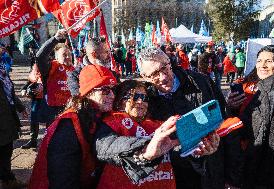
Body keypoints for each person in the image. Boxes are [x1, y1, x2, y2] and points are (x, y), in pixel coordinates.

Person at [29, 64, 179, 189]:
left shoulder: (99, 114)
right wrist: (145, 150)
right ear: (89, 93)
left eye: (113, 90)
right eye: (105, 90)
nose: (112, 95)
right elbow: (62, 177)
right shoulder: (69, 124)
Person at [139, 48, 241, 189]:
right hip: (175, 177)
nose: (163, 77)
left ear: (170, 63)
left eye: (164, 68)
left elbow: (227, 127)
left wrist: (232, 178)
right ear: (144, 76)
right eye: (154, 74)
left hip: (212, 170)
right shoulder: (144, 100)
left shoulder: (201, 82)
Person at [97, 80, 179, 189]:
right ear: (119, 101)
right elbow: (107, 146)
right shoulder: (111, 123)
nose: (140, 101)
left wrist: (197, 151)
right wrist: (143, 152)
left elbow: (178, 149)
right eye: (134, 96)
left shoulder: (160, 126)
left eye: (144, 98)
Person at [241, 42, 274, 188]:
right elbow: (245, 128)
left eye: (269, 61)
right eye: (259, 61)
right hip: (258, 173)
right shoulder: (261, 90)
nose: (263, 65)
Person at [36, 29, 74, 126]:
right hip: (54, 112)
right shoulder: (51, 67)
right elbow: (40, 57)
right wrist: (55, 39)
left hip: (72, 110)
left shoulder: (76, 69)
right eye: (64, 55)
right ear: (56, 58)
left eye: (69, 54)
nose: (68, 57)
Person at [0, 59, 28, 189]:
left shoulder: (2, 69)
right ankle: (8, 180)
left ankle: (8, 180)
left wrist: (21, 107)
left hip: (7, 116)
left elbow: (9, 93)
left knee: (7, 149)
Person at [20, 63, 44, 149]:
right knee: (34, 118)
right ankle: (33, 140)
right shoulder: (36, 66)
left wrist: (43, 87)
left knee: (51, 119)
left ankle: (50, 141)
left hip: (49, 97)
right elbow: (30, 81)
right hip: (37, 98)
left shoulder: (52, 65)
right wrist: (24, 89)